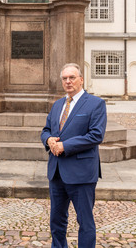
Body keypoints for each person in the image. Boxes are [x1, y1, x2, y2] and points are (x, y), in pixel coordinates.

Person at [41, 63, 107, 248]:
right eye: (64, 78)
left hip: (82, 173)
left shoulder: (95, 104)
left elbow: (96, 135)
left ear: (81, 80)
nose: (68, 82)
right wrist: (49, 141)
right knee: (56, 221)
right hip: (57, 173)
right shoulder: (58, 104)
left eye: (72, 77)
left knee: (85, 222)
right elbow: (46, 130)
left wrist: (64, 145)